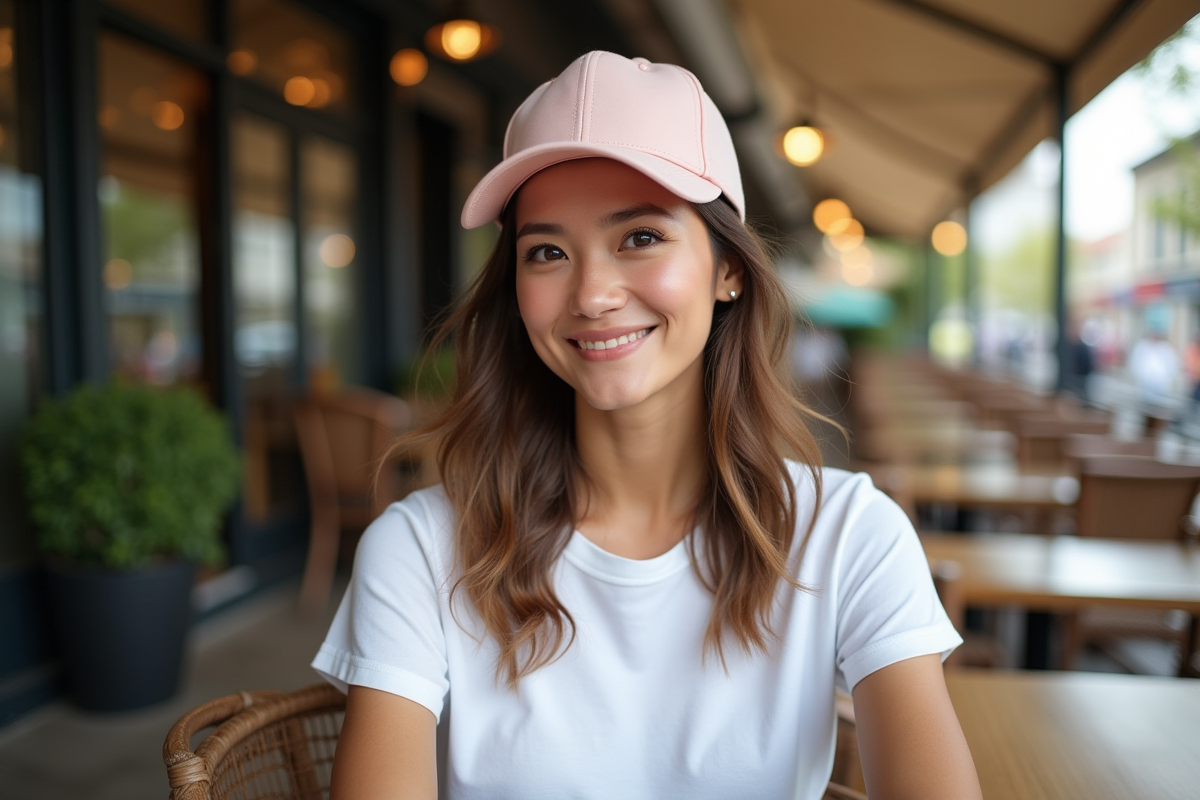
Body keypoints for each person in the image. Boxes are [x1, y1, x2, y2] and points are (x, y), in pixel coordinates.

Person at [313, 51, 980, 800]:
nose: (592, 294)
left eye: (640, 238)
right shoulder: (421, 549)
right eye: (548, 252)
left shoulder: (850, 535)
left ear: (728, 267)